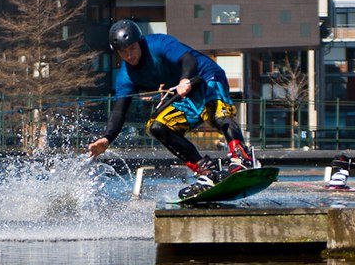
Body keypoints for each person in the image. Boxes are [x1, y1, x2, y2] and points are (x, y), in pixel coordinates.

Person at [88, 20, 254, 196]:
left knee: (217, 112)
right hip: (183, 94)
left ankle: (242, 157)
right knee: (157, 127)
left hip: (205, 77)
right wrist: (107, 138)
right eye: (123, 52)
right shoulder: (126, 76)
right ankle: (205, 170)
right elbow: (120, 109)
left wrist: (184, 79)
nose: (129, 55)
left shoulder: (159, 43)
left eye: (132, 49)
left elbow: (188, 60)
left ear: (140, 42)